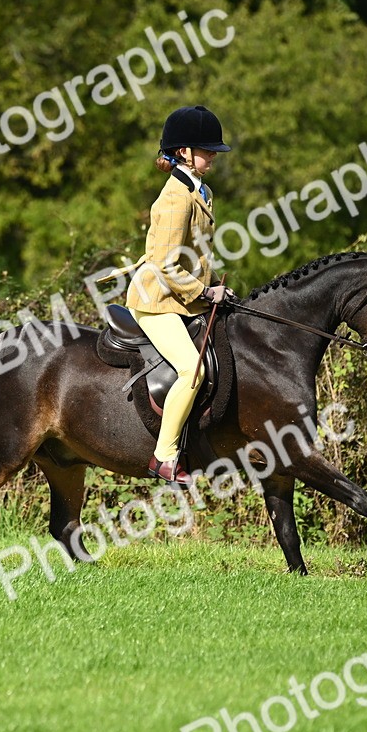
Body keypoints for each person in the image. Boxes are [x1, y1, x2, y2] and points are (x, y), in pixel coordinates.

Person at [103, 105, 234, 485]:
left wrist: (214, 287)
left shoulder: (200, 191)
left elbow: (194, 255)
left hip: (181, 296)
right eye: (206, 150)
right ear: (183, 153)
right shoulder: (176, 198)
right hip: (156, 301)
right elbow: (165, 265)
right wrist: (205, 291)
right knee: (193, 370)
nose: (212, 156)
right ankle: (164, 456)